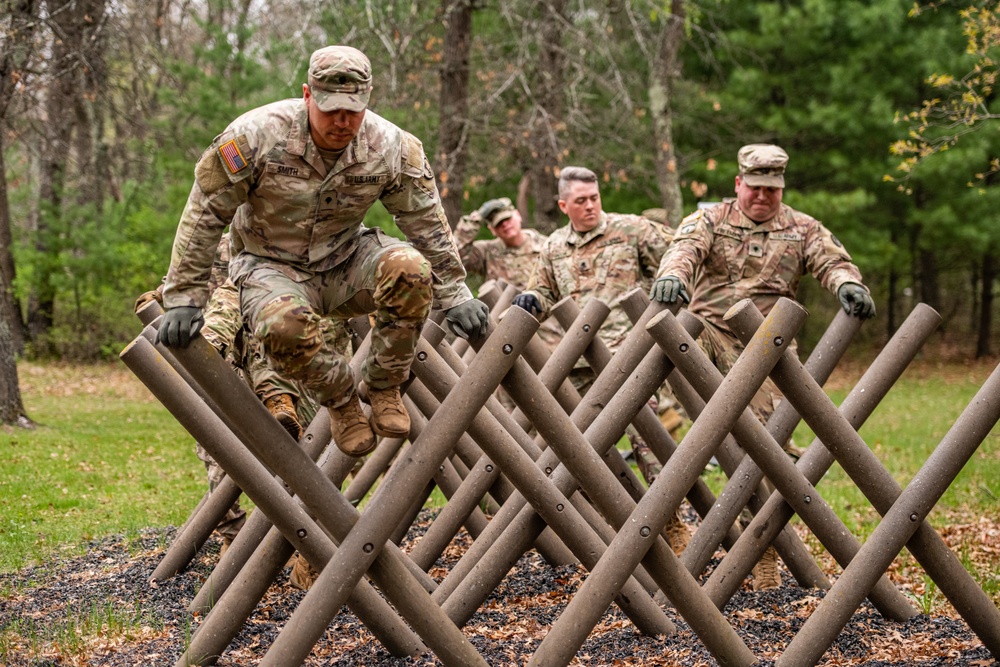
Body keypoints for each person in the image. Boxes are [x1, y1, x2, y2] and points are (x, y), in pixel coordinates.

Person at [155, 45, 489, 460]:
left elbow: (424, 220)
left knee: (410, 268)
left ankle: (384, 385)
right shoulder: (255, 135)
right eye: (331, 109)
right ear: (307, 94)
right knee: (279, 326)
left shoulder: (391, 147)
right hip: (268, 264)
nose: (343, 121)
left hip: (345, 261)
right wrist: (184, 297)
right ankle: (342, 400)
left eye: (353, 109)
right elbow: (205, 213)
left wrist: (455, 293)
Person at [649, 143, 876, 589]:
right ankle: (671, 521)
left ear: (781, 189)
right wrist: (672, 276)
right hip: (710, 334)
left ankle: (763, 549)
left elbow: (831, 260)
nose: (761, 197)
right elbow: (684, 251)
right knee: (669, 397)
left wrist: (848, 283)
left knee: (765, 446)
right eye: (753, 188)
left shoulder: (801, 228)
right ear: (738, 184)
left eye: (771, 191)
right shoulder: (710, 220)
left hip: (766, 345)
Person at [511, 165, 690, 555]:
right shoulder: (554, 246)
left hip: (630, 354)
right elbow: (541, 289)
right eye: (581, 201)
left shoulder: (632, 229)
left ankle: (672, 522)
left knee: (646, 440)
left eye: (594, 198)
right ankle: (610, 524)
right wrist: (530, 301)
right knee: (582, 447)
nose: (590, 206)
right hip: (578, 364)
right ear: (563, 205)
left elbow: (680, 253)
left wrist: (673, 280)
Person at [454, 197, 562, 351]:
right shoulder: (487, 252)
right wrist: (472, 221)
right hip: (507, 342)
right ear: (492, 230)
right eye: (498, 224)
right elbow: (453, 259)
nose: (505, 225)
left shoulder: (547, 246)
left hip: (550, 339)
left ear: (518, 215)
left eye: (507, 219)